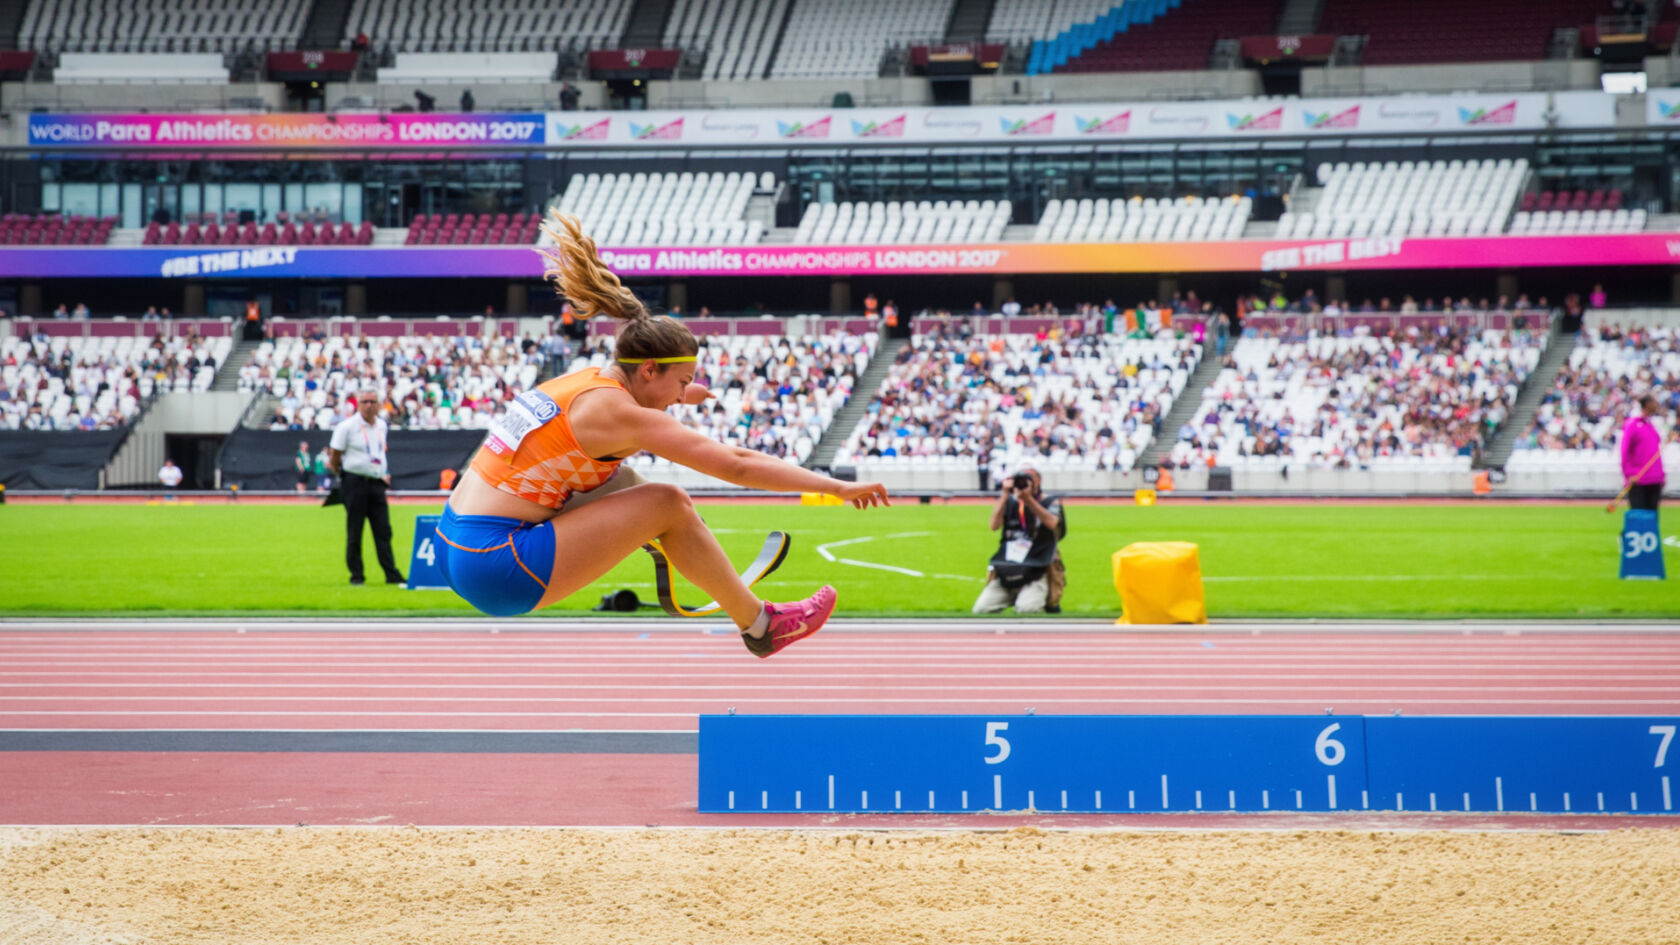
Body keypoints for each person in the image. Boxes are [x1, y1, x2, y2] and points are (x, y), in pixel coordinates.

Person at [434, 212, 889, 656]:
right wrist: (836, 486)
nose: (682, 393)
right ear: (649, 369)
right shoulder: (622, 413)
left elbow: (637, 405)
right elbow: (738, 464)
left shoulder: (586, 383)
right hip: (497, 564)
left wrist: (686, 394)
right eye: (681, 381)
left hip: (455, 541)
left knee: (626, 481)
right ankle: (762, 626)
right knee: (667, 502)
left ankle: (677, 538)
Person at [329, 387, 405, 586]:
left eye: (373, 402)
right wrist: (343, 476)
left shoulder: (381, 425)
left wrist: (383, 473)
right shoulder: (347, 427)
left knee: (384, 530)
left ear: (379, 404)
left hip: (376, 483)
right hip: (354, 482)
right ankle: (357, 575)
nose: (369, 406)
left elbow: (380, 452)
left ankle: (391, 574)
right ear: (358, 404)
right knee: (355, 530)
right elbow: (335, 456)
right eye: (365, 402)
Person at [972, 466, 1063, 615]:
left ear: (1039, 480)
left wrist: (1028, 500)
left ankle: (1036, 599)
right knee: (981, 609)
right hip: (1008, 568)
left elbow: (1052, 523)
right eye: (1021, 478)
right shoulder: (1010, 501)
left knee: (1027, 609)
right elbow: (994, 525)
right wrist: (1004, 494)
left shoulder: (1049, 501)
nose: (1026, 481)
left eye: (1030, 477)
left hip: (1036, 569)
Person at [1619, 394, 1667, 512]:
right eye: (1653, 402)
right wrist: (1628, 474)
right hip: (1638, 479)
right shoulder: (1633, 425)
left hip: (1654, 479)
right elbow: (1625, 452)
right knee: (1639, 517)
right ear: (1646, 404)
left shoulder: (1651, 425)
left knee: (1652, 518)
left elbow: (1655, 453)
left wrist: (1660, 475)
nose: (1656, 405)